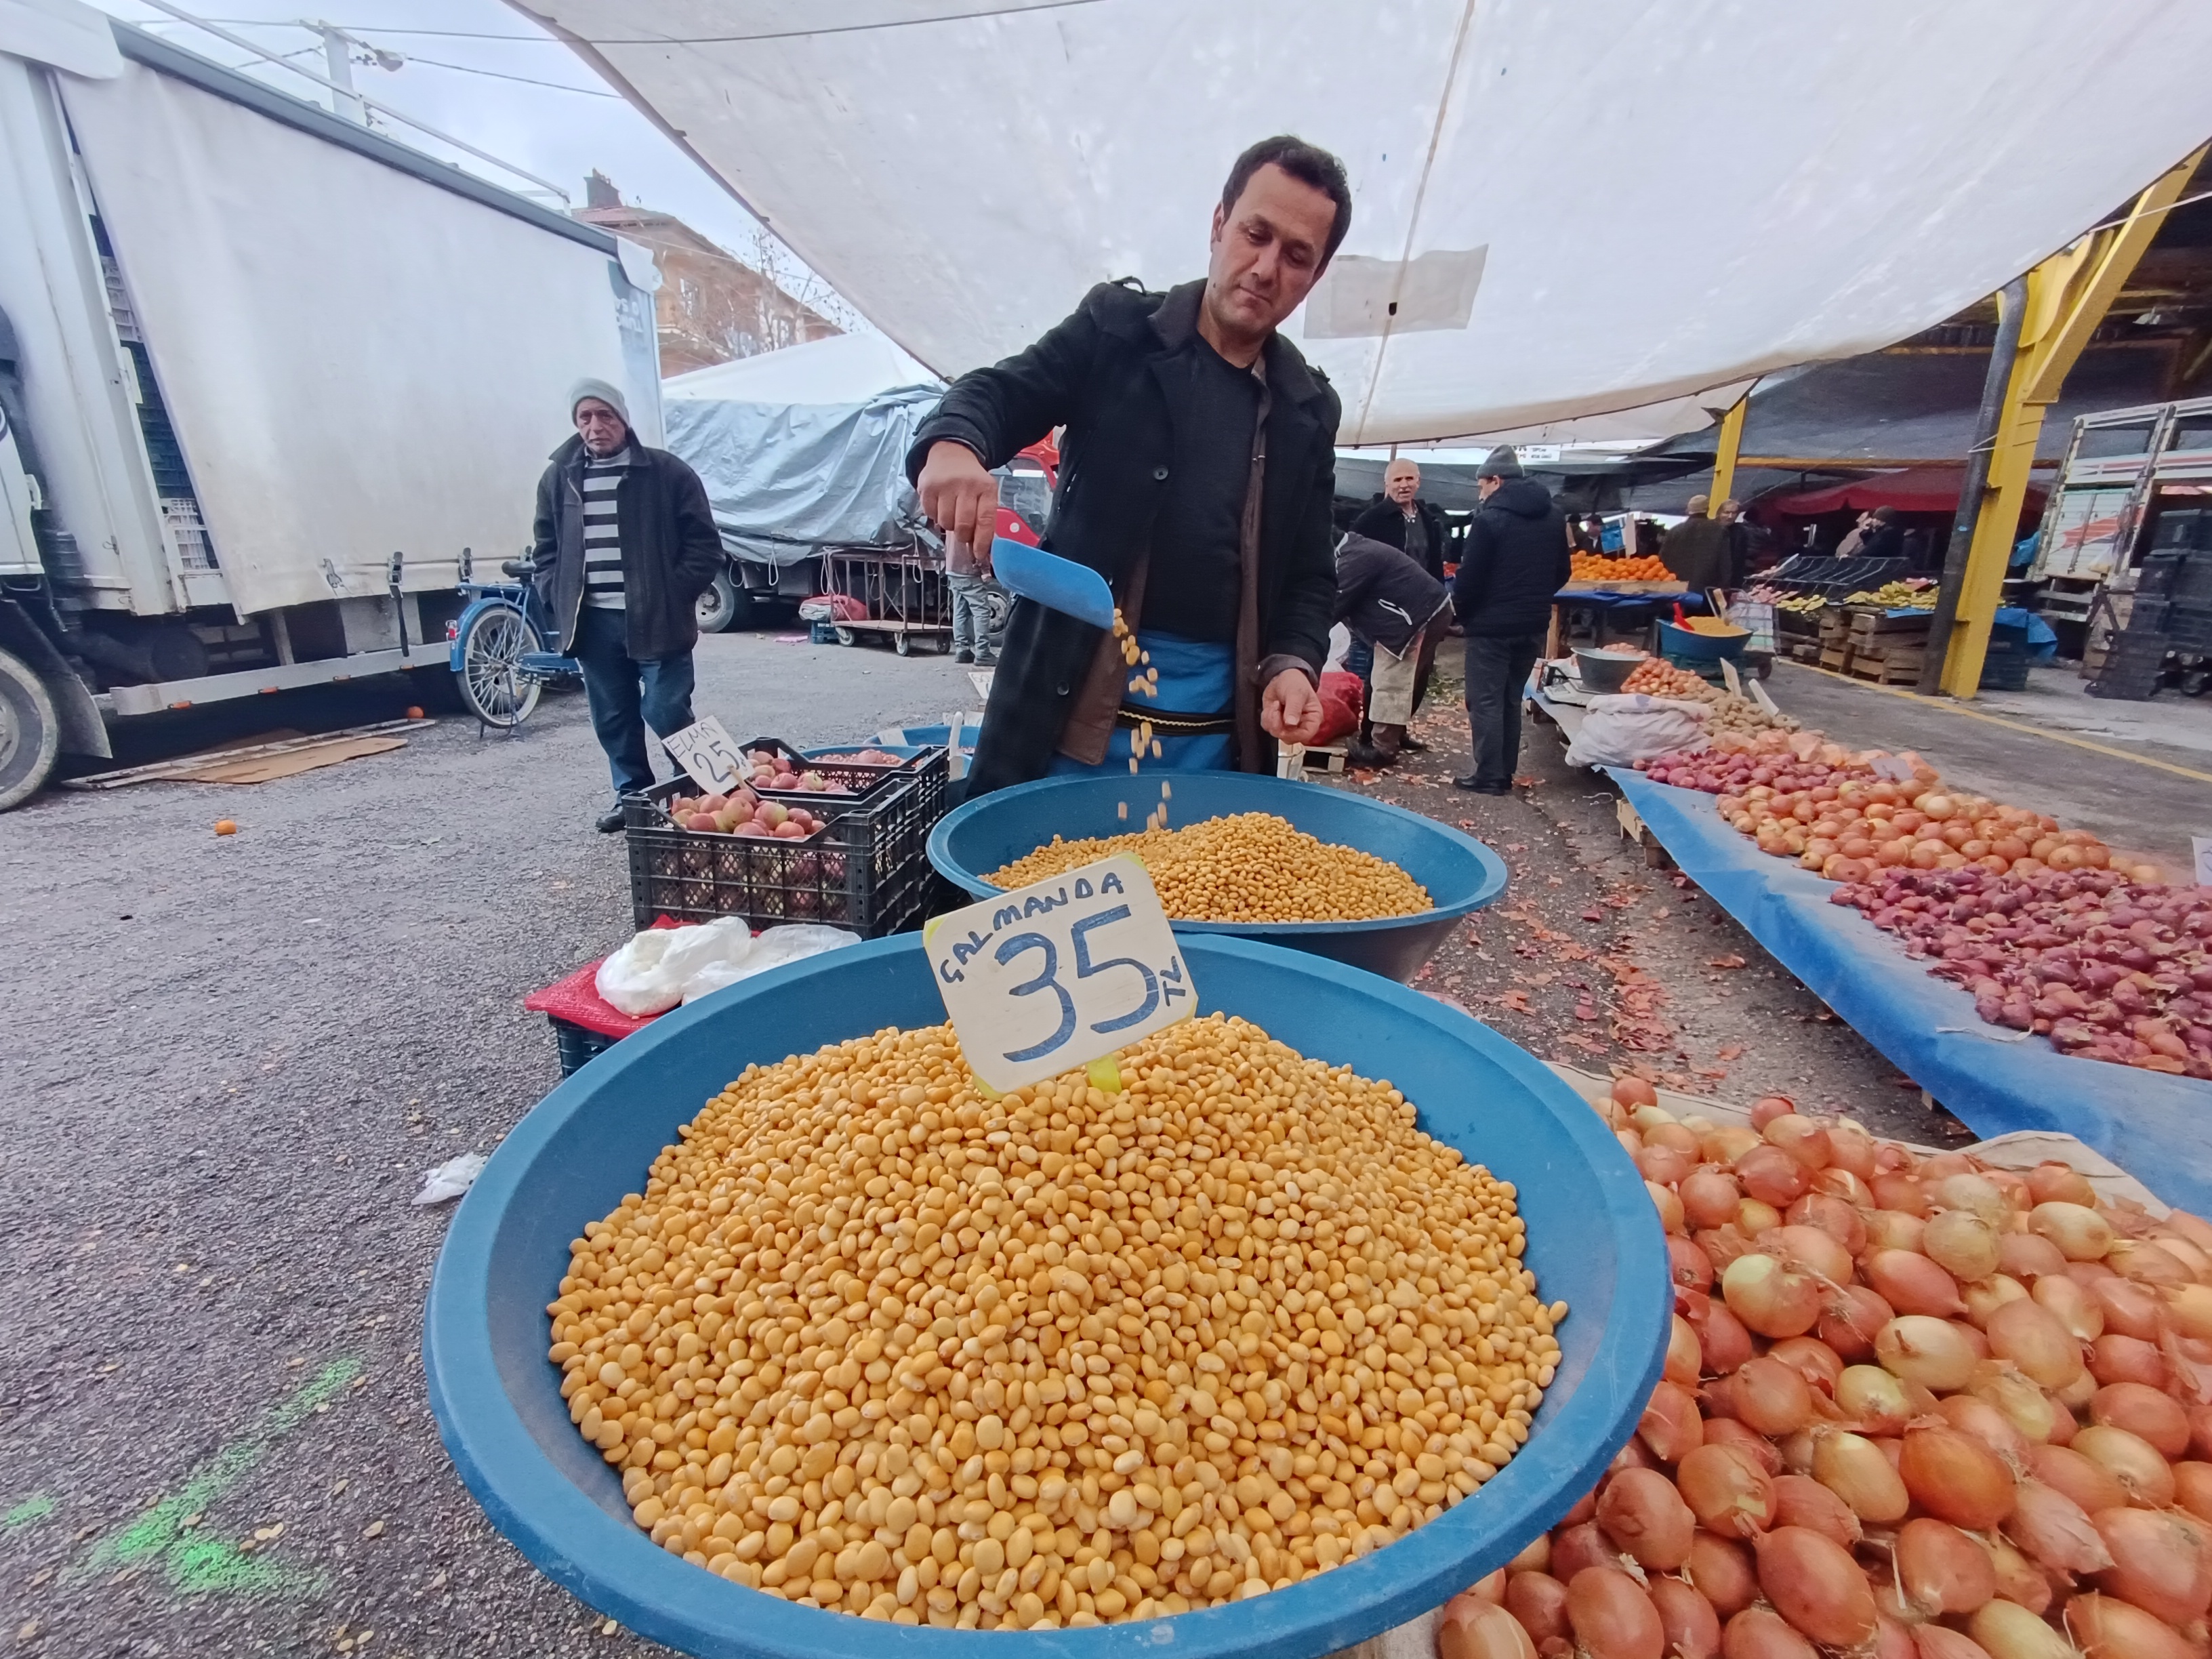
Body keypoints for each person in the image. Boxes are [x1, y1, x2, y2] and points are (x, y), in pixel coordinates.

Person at [907, 136, 1351, 795]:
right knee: (1041, 883)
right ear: (1219, 223)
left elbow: (1310, 578)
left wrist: (1293, 664)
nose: (1265, 267)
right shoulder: (1117, 334)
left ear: (1314, 277)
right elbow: (1000, 393)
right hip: (1065, 711)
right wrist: (953, 446)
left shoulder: (1308, 409)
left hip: (1213, 738)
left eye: (1296, 256)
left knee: (1188, 894)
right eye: (1256, 234)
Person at [530, 379, 724, 832]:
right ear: (577, 423)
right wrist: (552, 590)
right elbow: (546, 545)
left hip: (657, 618)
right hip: (593, 622)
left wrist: (674, 593)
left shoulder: (667, 473)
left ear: (622, 419)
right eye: (586, 418)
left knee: (666, 707)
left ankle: (698, 789)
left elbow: (704, 545)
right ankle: (632, 796)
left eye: (606, 416)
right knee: (613, 716)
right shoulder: (559, 478)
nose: (596, 426)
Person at [1452, 447, 1569, 794]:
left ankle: (1489, 776)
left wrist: (1462, 613)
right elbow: (1563, 571)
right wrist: (1535, 600)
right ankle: (1504, 772)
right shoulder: (1554, 516)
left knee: (1485, 699)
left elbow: (1470, 578)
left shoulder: (1489, 520)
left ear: (1496, 480)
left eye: (1481, 486)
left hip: (1491, 628)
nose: (1480, 494)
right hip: (1532, 624)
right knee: (1511, 698)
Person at [1334, 532, 1448, 767]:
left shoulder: (1355, 557)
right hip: (1428, 610)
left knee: (1392, 682)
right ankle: (1390, 734)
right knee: (1402, 680)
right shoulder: (1359, 548)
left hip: (1413, 619)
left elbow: (1334, 604)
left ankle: (1382, 750)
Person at [1349, 457, 1448, 583]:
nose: (1404, 485)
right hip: (1385, 599)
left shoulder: (1428, 519)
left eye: (1409, 479)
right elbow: (1354, 566)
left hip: (1422, 597)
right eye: (1397, 480)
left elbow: (1435, 566)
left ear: (1418, 482)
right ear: (1387, 484)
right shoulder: (1370, 521)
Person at [1658, 493, 1729, 590]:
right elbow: (1725, 563)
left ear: (1688, 511)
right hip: (1707, 590)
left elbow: (1663, 559)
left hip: (1676, 588)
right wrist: (1725, 587)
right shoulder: (1719, 531)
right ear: (1707, 509)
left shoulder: (1674, 531)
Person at [1716, 497, 1750, 590]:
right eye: (1727, 512)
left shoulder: (1741, 532)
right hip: (1711, 578)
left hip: (1732, 580)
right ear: (1719, 513)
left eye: (1734, 513)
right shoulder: (1710, 529)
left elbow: (1741, 559)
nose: (1730, 516)